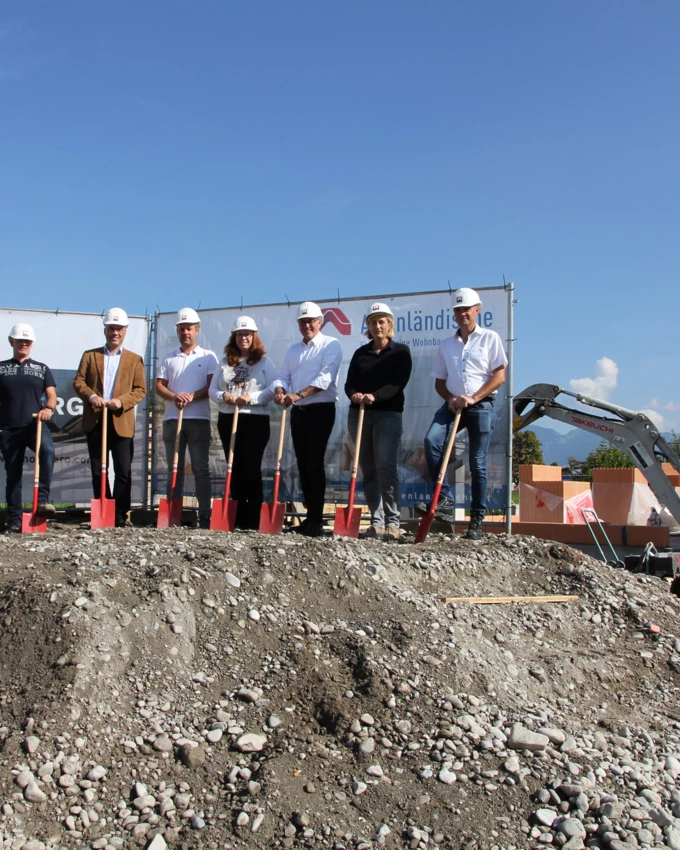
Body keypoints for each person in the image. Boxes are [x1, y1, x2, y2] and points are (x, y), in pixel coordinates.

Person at [415, 287, 507, 540]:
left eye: (466, 309)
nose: (462, 313)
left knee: (477, 463)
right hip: (453, 406)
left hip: (481, 405)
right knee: (432, 441)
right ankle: (444, 498)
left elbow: (499, 375)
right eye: (458, 310)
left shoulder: (490, 338)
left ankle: (476, 518)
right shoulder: (447, 344)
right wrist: (451, 399)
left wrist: (474, 397)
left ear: (477, 310)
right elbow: (439, 382)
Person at [273, 301, 342, 537]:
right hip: (299, 412)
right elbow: (282, 375)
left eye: (311, 321)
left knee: (314, 463)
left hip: (320, 410)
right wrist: (280, 390)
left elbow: (325, 380)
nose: (307, 325)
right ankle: (310, 519)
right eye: (302, 322)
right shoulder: (293, 350)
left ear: (320, 322)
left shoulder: (330, 344)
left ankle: (315, 520)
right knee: (303, 466)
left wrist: (298, 394)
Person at [73, 308, 147, 528]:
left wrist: (121, 401)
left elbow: (140, 389)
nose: (115, 332)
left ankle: (120, 514)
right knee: (99, 470)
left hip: (121, 421)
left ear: (125, 331)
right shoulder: (90, 355)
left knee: (123, 470)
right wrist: (93, 396)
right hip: (96, 421)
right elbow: (79, 383)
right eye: (111, 328)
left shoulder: (134, 360)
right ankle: (103, 511)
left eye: (119, 329)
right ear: (105, 329)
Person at [344, 302, 412, 541]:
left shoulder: (400, 352)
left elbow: (398, 383)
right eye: (373, 322)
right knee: (368, 469)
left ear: (390, 324)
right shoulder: (360, 354)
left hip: (387, 415)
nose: (377, 326)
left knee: (386, 466)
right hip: (360, 414)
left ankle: (393, 522)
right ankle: (376, 520)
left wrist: (376, 396)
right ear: (368, 326)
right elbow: (349, 382)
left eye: (381, 321)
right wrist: (354, 394)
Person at [209, 316, 276, 530]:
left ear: (254, 336)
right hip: (229, 417)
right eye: (239, 334)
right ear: (234, 337)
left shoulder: (265, 362)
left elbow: (274, 388)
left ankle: (253, 517)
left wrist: (252, 397)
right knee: (234, 466)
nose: (243, 338)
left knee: (251, 466)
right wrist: (223, 396)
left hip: (255, 419)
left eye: (247, 334)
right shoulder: (224, 361)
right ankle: (236, 516)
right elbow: (212, 390)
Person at [156, 308, 218, 529]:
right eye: (182, 329)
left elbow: (212, 386)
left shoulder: (208, 356)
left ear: (197, 330)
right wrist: (175, 396)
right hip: (173, 420)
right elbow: (159, 386)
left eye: (189, 329)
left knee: (201, 468)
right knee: (174, 467)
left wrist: (191, 396)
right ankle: (173, 515)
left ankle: (205, 515)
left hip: (199, 419)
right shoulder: (169, 357)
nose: (185, 333)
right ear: (178, 330)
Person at [0, 324, 57, 531]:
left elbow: (51, 395)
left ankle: (42, 501)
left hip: (35, 426)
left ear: (32, 344)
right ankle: (14, 521)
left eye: (27, 341)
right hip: (9, 428)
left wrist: (48, 408)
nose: (24, 344)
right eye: (20, 340)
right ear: (11, 342)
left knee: (48, 452)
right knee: (13, 475)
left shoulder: (41, 368)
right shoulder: (1, 368)